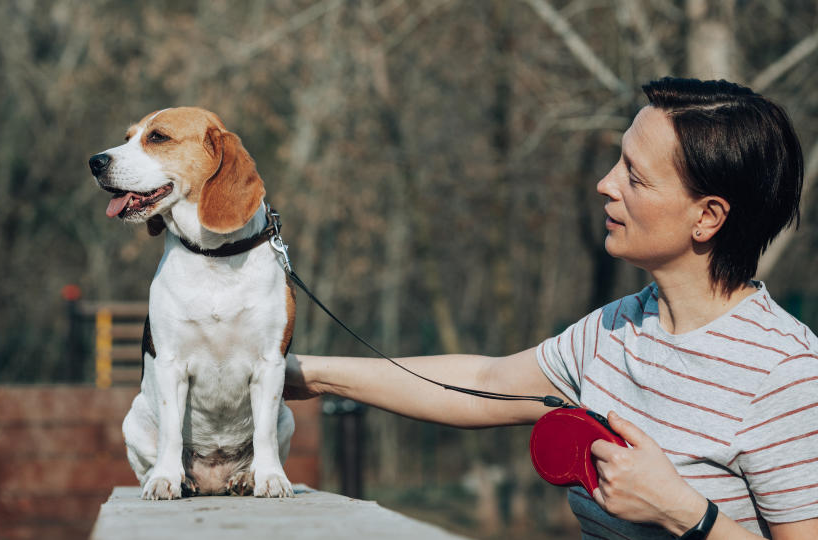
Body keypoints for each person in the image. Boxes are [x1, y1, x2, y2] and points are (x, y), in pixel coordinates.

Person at [283, 77, 818, 539]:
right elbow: (482, 384)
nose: (605, 184)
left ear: (707, 217)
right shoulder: (616, 328)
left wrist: (684, 514)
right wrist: (304, 374)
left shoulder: (786, 376)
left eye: (634, 175)